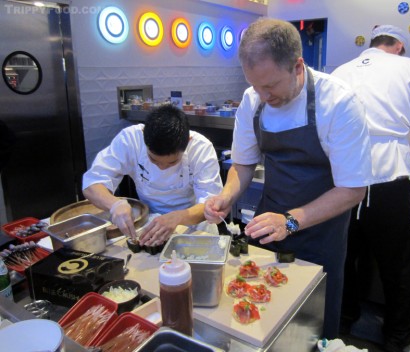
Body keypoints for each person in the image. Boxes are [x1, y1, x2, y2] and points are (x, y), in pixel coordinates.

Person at [204, 17, 373, 339]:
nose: (263, 95)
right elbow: (242, 165)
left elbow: (353, 189)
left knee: (312, 324)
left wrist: (291, 221)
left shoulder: (338, 102)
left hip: (321, 231)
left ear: (297, 66)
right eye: (255, 86)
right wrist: (227, 197)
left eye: (270, 86)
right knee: (262, 319)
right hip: (268, 227)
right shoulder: (253, 102)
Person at [332, 25, 410, 352]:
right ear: (399, 47)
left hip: (344, 180)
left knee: (345, 259)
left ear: (374, 44)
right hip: (389, 180)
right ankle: (397, 338)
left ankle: (343, 322)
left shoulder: (339, 72)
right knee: (397, 266)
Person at [83, 104, 223, 246]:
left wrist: (177, 217)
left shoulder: (201, 148)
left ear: (188, 141)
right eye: (153, 160)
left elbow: (211, 203)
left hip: (194, 226)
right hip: (148, 223)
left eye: (172, 162)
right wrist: (114, 205)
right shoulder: (130, 139)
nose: (162, 167)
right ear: (144, 135)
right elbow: (92, 183)